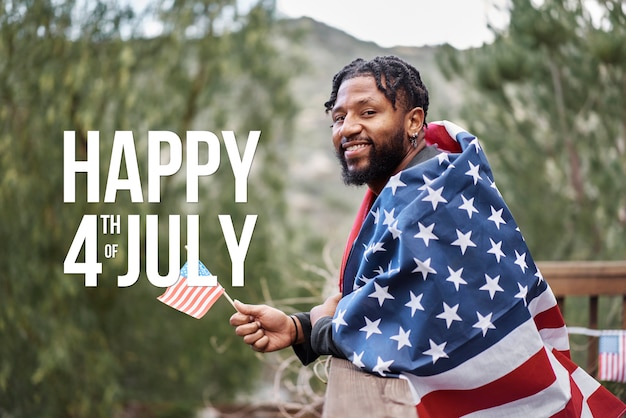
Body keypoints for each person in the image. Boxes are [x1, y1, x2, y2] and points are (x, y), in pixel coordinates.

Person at [230, 56, 626, 417]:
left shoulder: (435, 200)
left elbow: (411, 318)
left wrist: (318, 329)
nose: (348, 128)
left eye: (368, 112)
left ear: (414, 122)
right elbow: (394, 290)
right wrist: (300, 328)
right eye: (338, 118)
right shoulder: (414, 184)